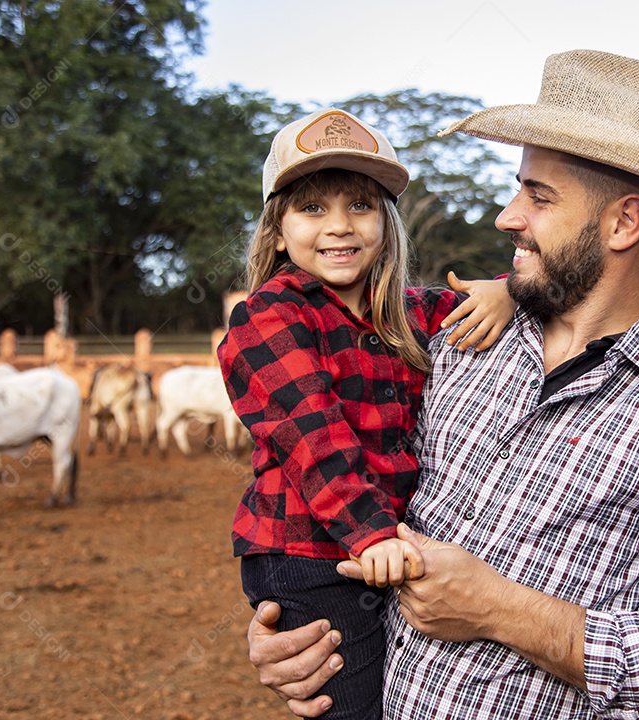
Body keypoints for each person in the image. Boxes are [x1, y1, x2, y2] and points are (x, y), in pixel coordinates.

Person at [242, 51, 639, 720]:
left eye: (537, 197)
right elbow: (346, 468)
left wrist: (502, 611)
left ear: (624, 223)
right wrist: (301, 630)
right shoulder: (457, 343)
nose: (508, 217)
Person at [217, 108, 516, 720]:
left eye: (360, 205)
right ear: (277, 231)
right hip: (311, 551)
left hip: (383, 545)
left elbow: (488, 302)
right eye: (313, 209)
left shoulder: (410, 314)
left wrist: (508, 288)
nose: (339, 226)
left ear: (386, 220)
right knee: (354, 707)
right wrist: (371, 532)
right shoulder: (269, 318)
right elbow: (313, 440)